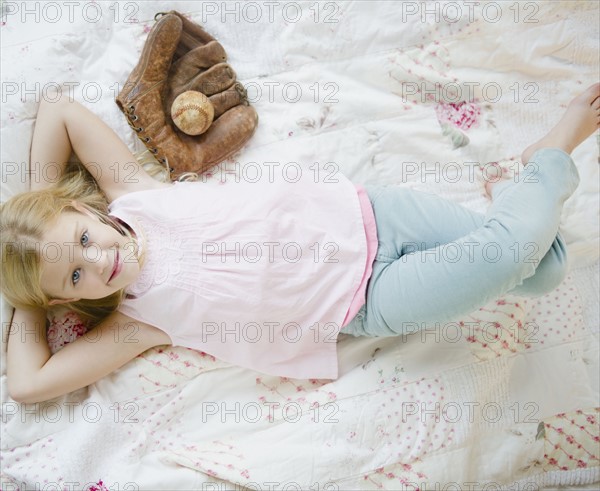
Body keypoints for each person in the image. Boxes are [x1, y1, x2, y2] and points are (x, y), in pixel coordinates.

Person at [2, 84, 598, 404]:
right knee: (530, 263)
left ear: (85, 210)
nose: (99, 260)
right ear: (65, 302)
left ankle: (537, 169)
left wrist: (39, 213)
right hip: (368, 298)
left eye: (83, 238)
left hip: (373, 214)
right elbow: (28, 385)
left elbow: (57, 107)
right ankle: (549, 157)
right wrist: (34, 292)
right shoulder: (134, 325)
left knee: (539, 267)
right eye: (76, 276)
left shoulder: (130, 193)